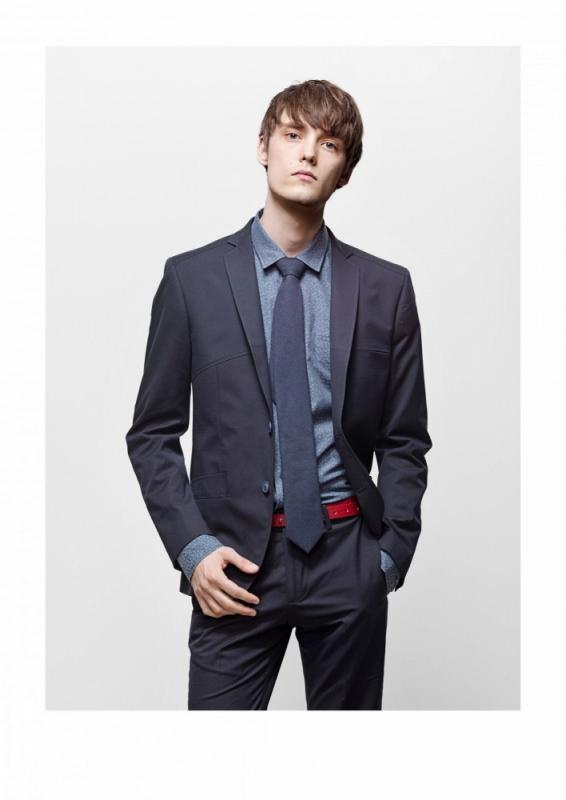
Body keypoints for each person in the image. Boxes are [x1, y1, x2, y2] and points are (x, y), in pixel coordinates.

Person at [125, 78, 432, 710]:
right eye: (293, 135)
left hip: (347, 558)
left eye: (330, 144)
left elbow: (404, 440)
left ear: (345, 170)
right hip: (235, 564)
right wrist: (194, 550)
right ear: (264, 147)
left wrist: (388, 556)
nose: (309, 153)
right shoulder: (192, 280)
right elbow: (152, 434)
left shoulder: (386, 288)